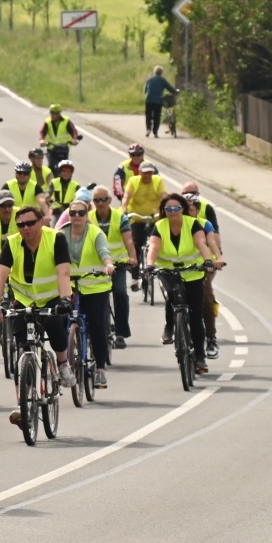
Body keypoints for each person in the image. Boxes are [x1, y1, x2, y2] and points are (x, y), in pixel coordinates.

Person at [0, 203, 75, 414]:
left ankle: (62, 364)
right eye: (21, 225)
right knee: (22, 349)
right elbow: (0, 276)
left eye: (30, 223)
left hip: (52, 298)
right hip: (24, 301)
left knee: (54, 325)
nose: (26, 228)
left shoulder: (56, 239)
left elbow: (63, 273)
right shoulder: (12, 243)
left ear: (41, 222)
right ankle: (22, 403)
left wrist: (64, 299)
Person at [146, 192, 225, 372]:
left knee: (196, 316)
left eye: (176, 208)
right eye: (168, 209)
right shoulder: (160, 226)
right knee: (172, 297)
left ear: (183, 209)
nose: (172, 212)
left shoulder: (193, 223)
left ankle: (200, 358)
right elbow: (154, 248)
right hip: (168, 270)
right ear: (164, 211)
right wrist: (150, 265)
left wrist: (207, 261)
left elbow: (202, 244)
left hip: (193, 272)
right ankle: (171, 325)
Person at [61, 203, 119, 389]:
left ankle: (100, 370)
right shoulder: (61, 234)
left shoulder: (95, 233)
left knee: (97, 326)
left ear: (87, 214)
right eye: (73, 212)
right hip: (70, 287)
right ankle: (65, 363)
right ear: (68, 215)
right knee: (60, 322)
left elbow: (104, 251)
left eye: (81, 212)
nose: (77, 215)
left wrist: (108, 265)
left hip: (95, 287)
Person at [89, 186, 136, 349]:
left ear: (109, 200)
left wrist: (132, 257)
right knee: (94, 298)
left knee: (120, 293)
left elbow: (128, 240)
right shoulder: (88, 218)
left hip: (118, 264)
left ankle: (121, 333)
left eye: (103, 199)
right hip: (97, 267)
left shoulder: (120, 217)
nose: (100, 203)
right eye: (96, 200)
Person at [182, 182, 224, 360]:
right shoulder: (173, 222)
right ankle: (172, 327)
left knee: (206, 299)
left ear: (197, 210)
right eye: (187, 209)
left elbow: (214, 241)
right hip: (178, 269)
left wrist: (217, 258)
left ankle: (211, 338)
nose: (189, 212)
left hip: (202, 268)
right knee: (172, 298)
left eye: (193, 209)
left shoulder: (204, 223)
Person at [124, 161, 168, 256]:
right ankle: (134, 268)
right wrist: (124, 209)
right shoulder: (133, 181)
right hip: (137, 218)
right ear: (139, 172)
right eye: (145, 173)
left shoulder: (158, 181)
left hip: (154, 218)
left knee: (158, 242)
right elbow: (126, 196)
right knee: (136, 243)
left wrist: (167, 208)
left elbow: (164, 196)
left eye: (150, 173)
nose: (147, 175)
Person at [144, 66, 178, 138]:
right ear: (161, 73)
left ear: (154, 72)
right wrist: (175, 91)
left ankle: (148, 129)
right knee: (157, 116)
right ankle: (155, 132)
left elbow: (145, 90)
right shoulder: (162, 80)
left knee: (148, 115)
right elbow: (170, 88)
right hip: (158, 100)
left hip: (149, 99)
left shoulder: (149, 79)